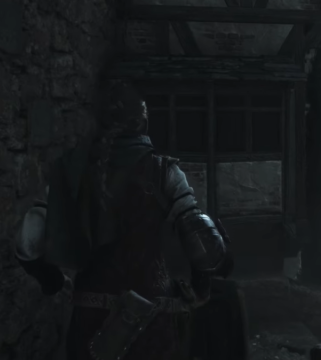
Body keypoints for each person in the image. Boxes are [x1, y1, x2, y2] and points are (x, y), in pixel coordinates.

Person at [14, 82, 232, 360]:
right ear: (142, 121)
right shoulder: (165, 172)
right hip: (153, 322)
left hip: (90, 322)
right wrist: (201, 288)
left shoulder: (72, 169)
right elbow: (203, 242)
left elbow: (28, 239)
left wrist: (52, 281)